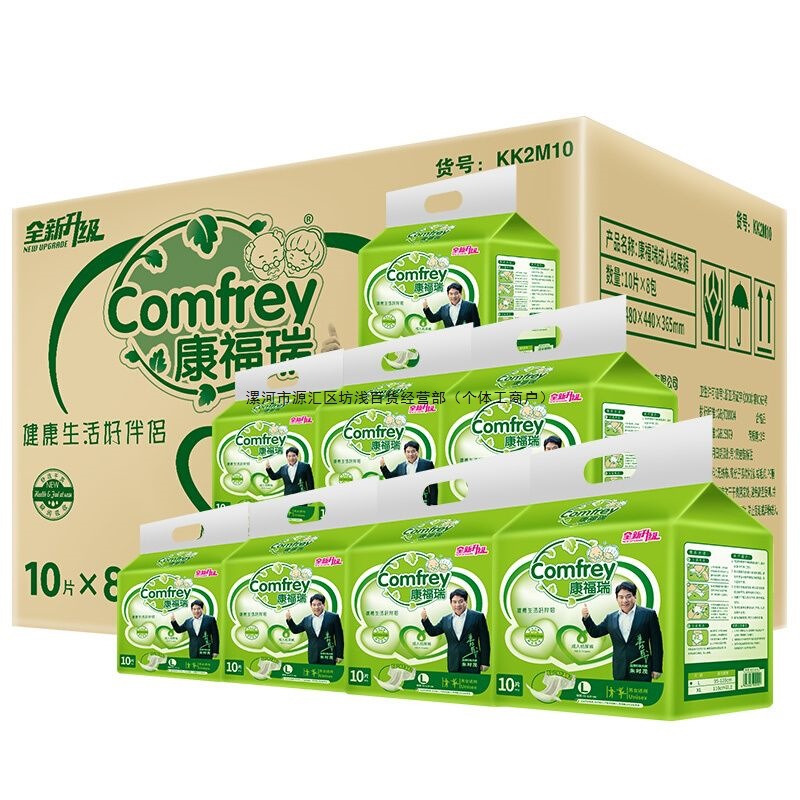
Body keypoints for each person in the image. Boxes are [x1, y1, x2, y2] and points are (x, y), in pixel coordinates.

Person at [581, 581, 663, 682]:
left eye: (628, 596)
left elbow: (656, 643)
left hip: (641, 668)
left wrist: (657, 668)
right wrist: (587, 618)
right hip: (620, 670)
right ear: (617, 599)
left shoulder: (648, 615)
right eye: (621, 597)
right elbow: (595, 632)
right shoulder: (611, 618)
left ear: (634, 597)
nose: (624, 600)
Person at [420, 588, 490, 673]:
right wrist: (425, 619)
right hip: (453, 663)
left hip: (471, 662)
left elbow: (484, 641)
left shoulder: (478, 617)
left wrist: (485, 662)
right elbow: (433, 632)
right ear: (451, 603)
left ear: (466, 602)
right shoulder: (446, 620)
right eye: (454, 602)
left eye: (461, 601)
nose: (457, 605)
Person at [285, 594, 344, 665]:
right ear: (311, 606)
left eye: (319, 604)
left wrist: (339, 655)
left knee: (328, 672)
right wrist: (289, 620)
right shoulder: (306, 620)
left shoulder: (333, 617)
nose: (316, 607)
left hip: (328, 655)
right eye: (314, 605)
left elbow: (339, 637)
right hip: (313, 656)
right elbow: (295, 630)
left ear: (323, 605)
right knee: (313, 672)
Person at [379, 440, 438, 505]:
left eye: (413, 451)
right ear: (405, 453)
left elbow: (433, 486)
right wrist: (383, 466)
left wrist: (433, 505)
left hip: (423, 501)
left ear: (417, 452)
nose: (410, 454)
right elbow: (389, 477)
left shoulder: (427, 464)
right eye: (408, 452)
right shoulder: (400, 467)